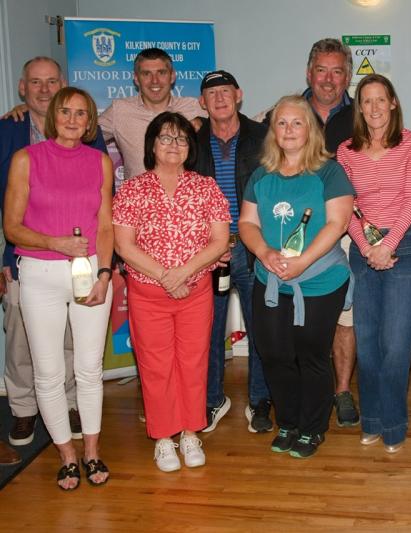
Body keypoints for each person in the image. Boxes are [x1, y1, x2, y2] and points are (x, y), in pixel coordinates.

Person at [3, 87, 114, 489]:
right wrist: (55, 243)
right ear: (53, 116)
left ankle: (91, 451)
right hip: (39, 275)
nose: (71, 119)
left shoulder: (100, 162)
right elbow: (12, 227)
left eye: (80, 113)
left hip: (90, 274)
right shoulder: (25, 160)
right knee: (48, 374)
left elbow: (104, 225)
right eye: (64, 111)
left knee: (89, 371)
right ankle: (66, 454)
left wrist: (105, 275)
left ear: (89, 123)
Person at [112, 112, 230, 472]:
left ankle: (191, 433)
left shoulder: (206, 187)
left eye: (181, 139)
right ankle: (163, 439)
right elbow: (124, 246)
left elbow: (219, 240)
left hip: (195, 291)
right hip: (149, 293)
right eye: (165, 138)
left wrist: (183, 274)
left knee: (193, 362)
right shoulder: (132, 189)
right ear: (151, 145)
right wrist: (166, 276)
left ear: (190, 147)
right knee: (156, 365)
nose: (174, 145)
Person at [240, 95, 354, 458]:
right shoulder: (261, 174)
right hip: (271, 279)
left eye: (297, 122)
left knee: (311, 355)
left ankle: (312, 427)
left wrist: (303, 261)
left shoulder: (330, 171)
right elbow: (246, 222)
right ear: (273, 130)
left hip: (319, 279)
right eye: (282, 123)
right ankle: (288, 421)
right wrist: (264, 252)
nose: (288, 130)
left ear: (311, 129)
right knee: (274, 353)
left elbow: (338, 222)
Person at [256, 38, 360, 427]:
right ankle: (292, 399)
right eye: (322, 70)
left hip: (342, 227)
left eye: (337, 71)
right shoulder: (282, 113)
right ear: (308, 72)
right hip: (285, 234)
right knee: (287, 330)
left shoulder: (360, 116)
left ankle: (342, 390)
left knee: (343, 322)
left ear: (347, 75)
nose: (329, 79)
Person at [337, 74, 411, 453]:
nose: (373, 108)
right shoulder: (345, 150)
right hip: (362, 249)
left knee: (396, 343)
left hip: (403, 246)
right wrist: (367, 246)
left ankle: (394, 422)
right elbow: (346, 208)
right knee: (368, 343)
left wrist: (387, 245)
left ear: (392, 103)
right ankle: (371, 419)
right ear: (360, 108)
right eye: (365, 101)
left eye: (379, 100)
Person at [195, 70, 272, 434]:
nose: (220, 98)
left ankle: (260, 401)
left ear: (239, 95)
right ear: (202, 102)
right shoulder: (191, 142)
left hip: (254, 248)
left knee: (262, 330)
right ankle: (212, 400)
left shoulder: (262, 137)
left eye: (226, 91)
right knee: (208, 331)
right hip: (209, 252)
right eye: (212, 93)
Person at [99, 48, 205, 180]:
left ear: (172, 76)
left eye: (161, 73)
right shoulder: (119, 110)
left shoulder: (194, 107)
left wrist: (204, 122)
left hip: (186, 198)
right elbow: (85, 135)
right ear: (136, 79)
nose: (155, 80)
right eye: (146, 74)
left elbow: (228, 128)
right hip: (136, 198)